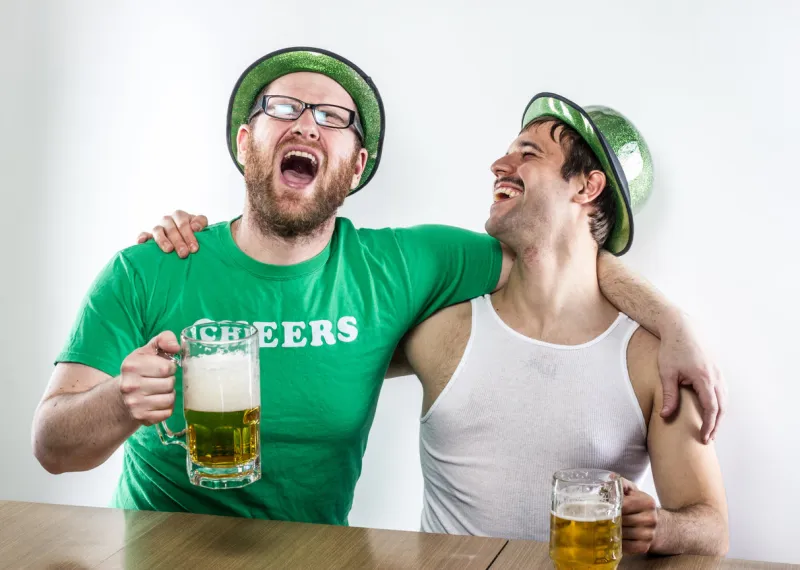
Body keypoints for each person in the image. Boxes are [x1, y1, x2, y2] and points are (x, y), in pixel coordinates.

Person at [34, 47, 724, 527]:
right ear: (245, 142)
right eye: (283, 107)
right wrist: (121, 402)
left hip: (314, 559)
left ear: (357, 164)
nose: (307, 123)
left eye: (333, 118)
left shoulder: (402, 266)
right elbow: (52, 447)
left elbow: (552, 251)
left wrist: (673, 324)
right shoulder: (152, 266)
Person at [402, 94, 727, 555]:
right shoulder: (439, 330)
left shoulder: (656, 362)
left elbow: (713, 530)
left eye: (528, 153)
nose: (499, 165)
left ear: (587, 187)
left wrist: (660, 528)